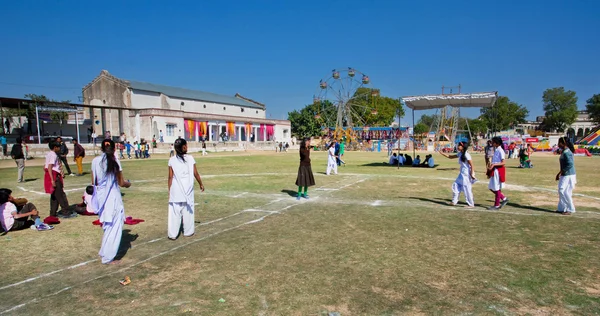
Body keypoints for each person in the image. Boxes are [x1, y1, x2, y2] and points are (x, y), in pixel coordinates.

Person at [91, 139, 131, 264]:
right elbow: (121, 182)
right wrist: (128, 184)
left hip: (100, 197)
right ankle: (108, 257)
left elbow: (94, 182)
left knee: (107, 225)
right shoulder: (114, 161)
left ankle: (104, 251)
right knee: (114, 226)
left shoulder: (95, 161)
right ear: (114, 149)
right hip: (112, 197)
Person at [168, 139, 204, 239]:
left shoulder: (172, 160)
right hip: (187, 189)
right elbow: (195, 173)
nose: (187, 147)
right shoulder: (190, 158)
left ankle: (172, 234)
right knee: (188, 211)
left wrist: (169, 191)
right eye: (186, 146)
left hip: (176, 190)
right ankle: (188, 231)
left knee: (175, 213)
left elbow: (170, 177)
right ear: (183, 147)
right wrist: (201, 184)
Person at [44, 141, 75, 219]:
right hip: (54, 177)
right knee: (61, 195)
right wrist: (52, 180)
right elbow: (50, 167)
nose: (59, 149)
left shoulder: (49, 154)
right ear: (55, 147)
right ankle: (66, 211)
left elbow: (45, 166)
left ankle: (53, 213)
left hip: (53, 175)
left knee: (54, 196)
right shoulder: (53, 155)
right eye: (58, 147)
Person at [440, 142, 476, 208]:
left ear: (463, 147)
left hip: (466, 174)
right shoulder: (460, 153)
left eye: (459, 145)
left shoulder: (467, 154)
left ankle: (471, 204)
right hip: (462, 174)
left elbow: (472, 165)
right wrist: (442, 153)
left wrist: (472, 173)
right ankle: (454, 201)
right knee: (456, 185)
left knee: (467, 189)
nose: (458, 146)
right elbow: (450, 157)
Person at [556, 137, 577, 215]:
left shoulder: (567, 152)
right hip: (565, 175)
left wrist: (560, 172)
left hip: (569, 175)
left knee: (564, 191)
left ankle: (570, 208)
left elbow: (570, 164)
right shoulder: (564, 151)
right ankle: (562, 208)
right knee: (562, 191)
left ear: (564, 143)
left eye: (559, 143)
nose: (558, 144)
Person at [487, 137, 508, 210]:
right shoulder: (496, 150)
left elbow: (503, 162)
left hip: (498, 171)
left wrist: (494, 165)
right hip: (494, 170)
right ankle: (504, 198)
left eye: (493, 142)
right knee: (491, 187)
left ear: (497, 143)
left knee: (496, 188)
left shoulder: (500, 151)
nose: (492, 143)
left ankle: (497, 205)